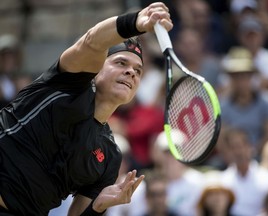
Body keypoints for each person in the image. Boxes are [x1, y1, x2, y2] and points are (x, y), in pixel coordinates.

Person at [0, 2, 173, 216]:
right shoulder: (66, 85)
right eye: (121, 63)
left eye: (138, 70)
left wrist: (99, 207)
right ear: (96, 67)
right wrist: (135, 22)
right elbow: (92, 42)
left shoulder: (109, 156)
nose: (131, 73)